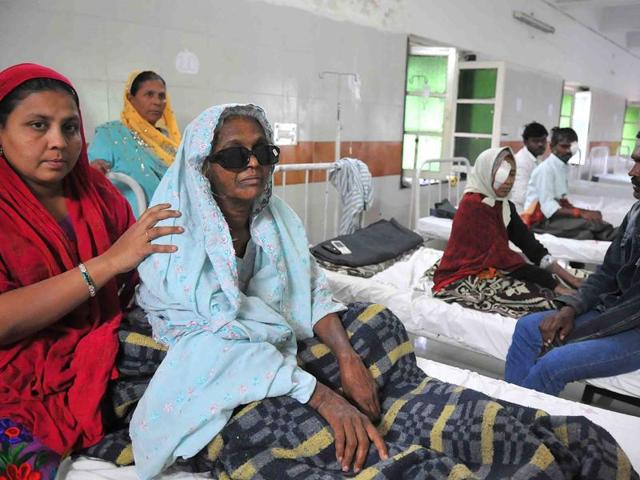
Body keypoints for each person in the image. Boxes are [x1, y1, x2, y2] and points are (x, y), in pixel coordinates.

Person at [130, 104, 635, 479]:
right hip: (215, 353)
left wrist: (346, 357)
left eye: (263, 152)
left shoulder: (275, 215)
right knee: (309, 404)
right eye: (234, 155)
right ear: (201, 165)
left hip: (273, 339)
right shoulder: (175, 231)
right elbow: (218, 336)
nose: (254, 165)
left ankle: (429, 410)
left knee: (374, 322)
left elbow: (310, 293)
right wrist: (324, 395)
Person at [0, 63, 182, 480]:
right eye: (37, 125)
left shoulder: (98, 194)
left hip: (105, 342)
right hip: (18, 364)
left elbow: (138, 281)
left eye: (69, 127)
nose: (57, 142)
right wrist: (108, 263)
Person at [505, 133, 640, 396]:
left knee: (553, 363)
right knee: (526, 329)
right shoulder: (636, 213)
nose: (632, 172)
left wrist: (583, 327)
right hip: (614, 310)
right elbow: (607, 272)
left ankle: (514, 428)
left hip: (632, 328)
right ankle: (511, 417)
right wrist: (571, 309)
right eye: (634, 161)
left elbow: (634, 308)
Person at [432, 147, 582, 318]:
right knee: (547, 300)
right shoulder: (473, 205)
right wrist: (554, 284)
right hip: (464, 273)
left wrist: (568, 276)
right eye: (502, 174)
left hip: (493, 266)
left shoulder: (503, 204)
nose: (508, 181)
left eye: (512, 174)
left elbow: (528, 244)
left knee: (573, 283)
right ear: (486, 173)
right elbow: (502, 256)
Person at [88, 70, 180, 214]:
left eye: (161, 96)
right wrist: (94, 167)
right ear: (131, 100)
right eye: (149, 94)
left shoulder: (169, 142)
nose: (157, 102)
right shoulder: (111, 133)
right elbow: (91, 172)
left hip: (175, 219)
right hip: (131, 226)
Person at [522, 127, 616, 240]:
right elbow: (548, 207)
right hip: (539, 220)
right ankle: (620, 236)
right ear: (552, 147)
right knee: (592, 225)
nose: (568, 151)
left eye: (571, 147)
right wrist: (580, 213)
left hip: (553, 217)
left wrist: (586, 211)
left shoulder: (562, 167)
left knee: (590, 229)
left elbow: (561, 201)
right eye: (564, 146)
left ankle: (618, 236)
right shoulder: (546, 169)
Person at [511, 121, 548, 210]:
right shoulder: (521, 162)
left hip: (532, 209)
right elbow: (521, 196)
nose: (540, 144)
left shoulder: (537, 159)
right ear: (525, 142)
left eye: (543, 140)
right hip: (520, 212)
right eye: (535, 141)